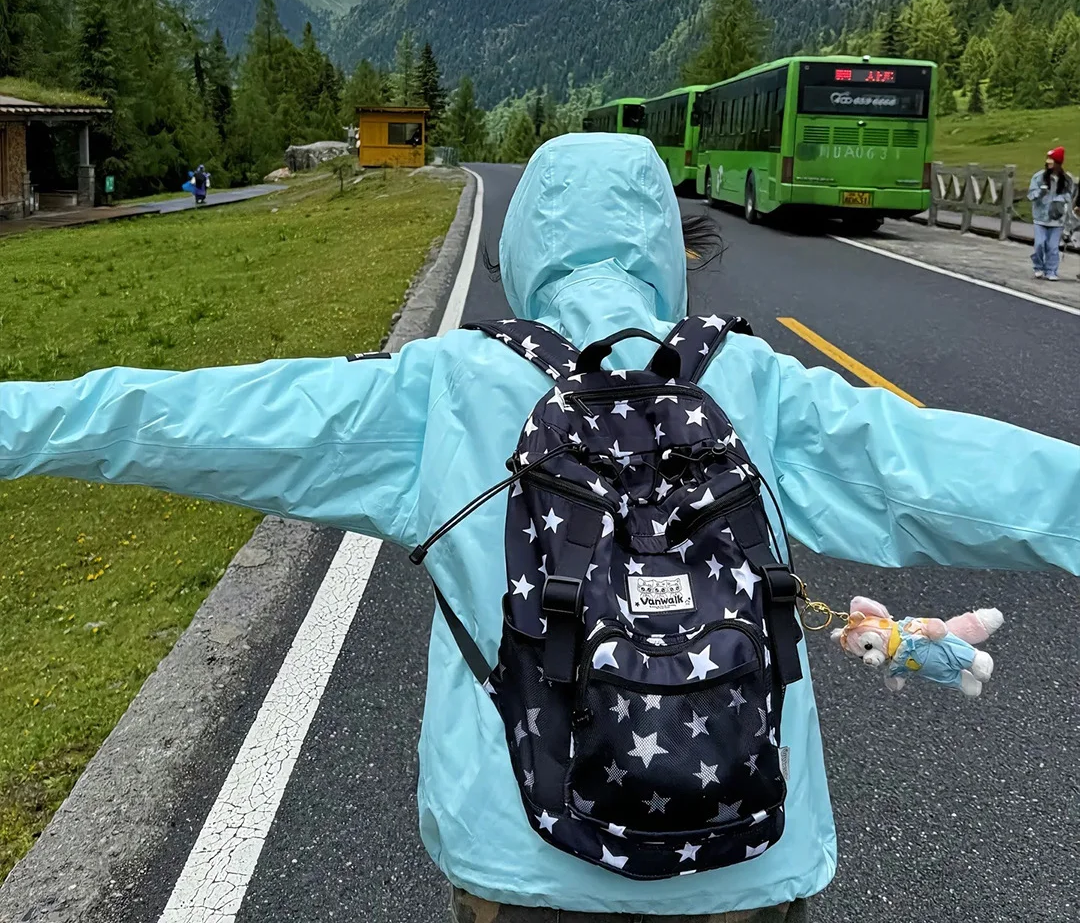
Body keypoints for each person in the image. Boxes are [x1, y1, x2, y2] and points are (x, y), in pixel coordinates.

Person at [1, 133, 1078, 922]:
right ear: (665, 239)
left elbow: (188, 419)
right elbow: (961, 470)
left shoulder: (447, 387)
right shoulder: (756, 380)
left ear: (524, 246)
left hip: (522, 861)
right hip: (748, 861)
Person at [1027, 146, 1074, 281]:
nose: (1048, 162)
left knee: (1053, 247)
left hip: (1057, 219)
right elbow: (1030, 195)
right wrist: (1040, 193)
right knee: (1040, 244)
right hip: (1040, 218)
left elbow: (1069, 196)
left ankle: (1051, 270)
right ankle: (1038, 266)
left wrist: (1059, 201)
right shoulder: (1038, 177)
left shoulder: (1066, 179)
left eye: (1052, 160)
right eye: (1048, 160)